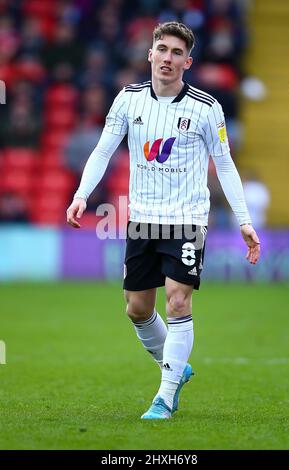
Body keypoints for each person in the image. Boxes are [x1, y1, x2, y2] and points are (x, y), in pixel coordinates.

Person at [66, 22, 260, 420]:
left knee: (177, 301)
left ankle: (165, 397)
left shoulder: (207, 108)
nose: (167, 58)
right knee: (137, 309)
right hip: (142, 218)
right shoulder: (127, 100)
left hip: (187, 219)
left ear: (187, 62)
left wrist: (243, 219)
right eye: (162, 49)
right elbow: (103, 151)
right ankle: (176, 367)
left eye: (176, 53)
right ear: (149, 54)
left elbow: (224, 164)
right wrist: (81, 195)